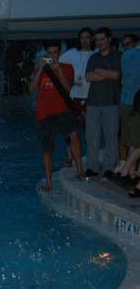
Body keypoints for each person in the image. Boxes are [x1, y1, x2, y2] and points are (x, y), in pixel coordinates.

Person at [29, 41, 84, 192]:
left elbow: (67, 89)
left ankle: (80, 170)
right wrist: (40, 68)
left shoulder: (66, 68)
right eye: (49, 53)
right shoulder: (41, 69)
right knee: (47, 149)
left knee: (74, 135)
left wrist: (59, 71)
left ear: (59, 53)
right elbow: (31, 88)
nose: (52, 56)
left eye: (55, 53)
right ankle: (49, 182)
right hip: (44, 113)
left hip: (62, 110)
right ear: (46, 54)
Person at [85, 27, 122, 177]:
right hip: (93, 103)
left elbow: (117, 76)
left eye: (102, 39)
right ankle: (92, 167)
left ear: (109, 39)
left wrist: (99, 71)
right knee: (91, 136)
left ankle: (109, 168)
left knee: (111, 136)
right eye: (97, 39)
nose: (99, 42)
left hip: (112, 102)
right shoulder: (93, 57)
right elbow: (88, 77)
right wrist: (107, 73)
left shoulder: (118, 56)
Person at [59, 28, 94, 166]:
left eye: (87, 37)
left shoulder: (96, 54)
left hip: (91, 98)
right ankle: (69, 158)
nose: (84, 40)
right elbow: (57, 63)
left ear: (91, 38)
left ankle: (91, 158)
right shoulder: (72, 53)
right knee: (69, 130)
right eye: (82, 37)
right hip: (73, 97)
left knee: (91, 130)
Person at [117, 40, 140, 184]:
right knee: (138, 142)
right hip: (137, 104)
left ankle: (132, 173)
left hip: (125, 102)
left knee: (132, 141)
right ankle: (126, 170)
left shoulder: (126, 55)